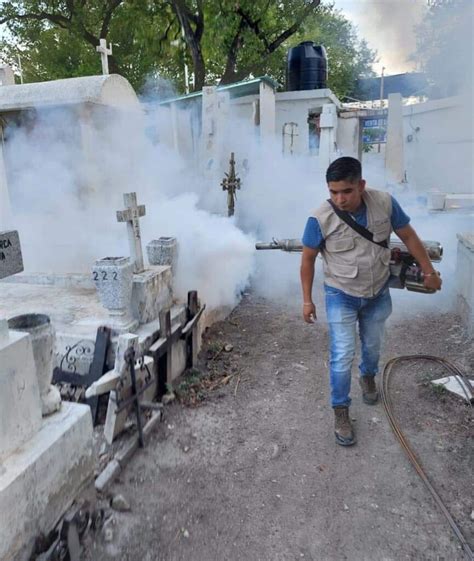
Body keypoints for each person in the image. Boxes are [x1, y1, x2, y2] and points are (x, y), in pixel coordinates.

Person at [300, 157, 442, 447]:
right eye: (333, 192)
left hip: (377, 292)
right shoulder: (319, 218)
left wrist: (428, 271)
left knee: (373, 345)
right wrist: (306, 300)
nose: (340, 199)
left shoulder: (385, 203)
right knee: (341, 355)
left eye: (347, 191)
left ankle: (368, 376)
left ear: (361, 185)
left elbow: (409, 236)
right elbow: (308, 259)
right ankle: (341, 410)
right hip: (340, 294)